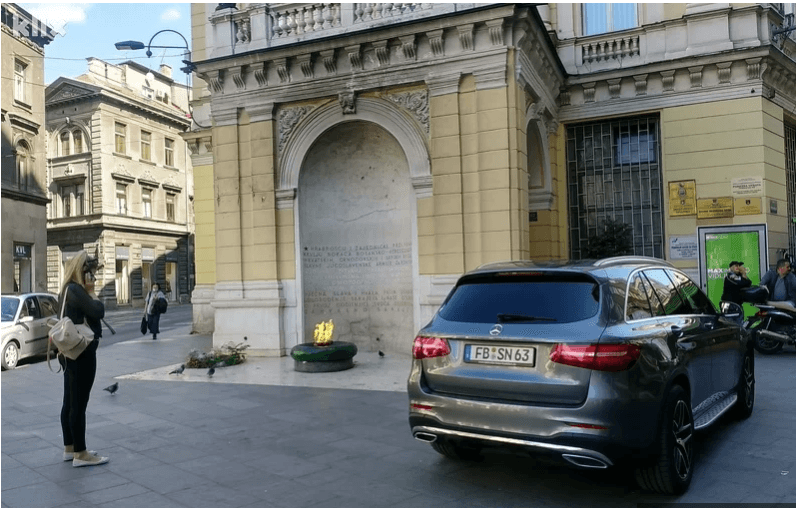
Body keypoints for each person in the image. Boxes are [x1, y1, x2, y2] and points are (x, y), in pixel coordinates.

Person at [58, 250, 109, 467]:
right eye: (90, 272)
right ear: (82, 271)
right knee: (79, 403)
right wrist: (92, 292)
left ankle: (70, 447)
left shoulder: (65, 290)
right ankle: (81, 453)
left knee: (69, 400)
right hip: (82, 353)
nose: (93, 277)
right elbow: (98, 311)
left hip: (69, 354)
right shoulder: (77, 291)